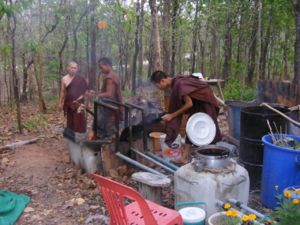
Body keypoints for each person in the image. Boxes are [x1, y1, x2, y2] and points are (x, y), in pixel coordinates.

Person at [150, 71, 222, 164]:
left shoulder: (179, 84)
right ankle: (185, 158)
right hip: (197, 103)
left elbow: (189, 104)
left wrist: (172, 115)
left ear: (162, 81)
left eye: (157, 86)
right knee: (190, 128)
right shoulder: (175, 83)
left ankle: (213, 157)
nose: (158, 89)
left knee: (209, 129)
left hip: (205, 102)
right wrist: (169, 118)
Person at [87, 57, 124, 139]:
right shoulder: (114, 75)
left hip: (110, 108)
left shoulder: (110, 77)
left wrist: (94, 96)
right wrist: (96, 93)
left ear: (107, 65)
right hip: (110, 107)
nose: (101, 70)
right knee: (100, 122)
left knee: (106, 128)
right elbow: (108, 92)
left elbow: (109, 94)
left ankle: (106, 144)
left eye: (101, 67)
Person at [58, 62, 89, 133]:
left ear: (77, 69)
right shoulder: (64, 79)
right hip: (69, 103)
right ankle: (72, 137)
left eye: (75, 68)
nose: (73, 69)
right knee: (71, 122)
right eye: (71, 67)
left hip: (79, 104)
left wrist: (88, 102)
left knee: (79, 122)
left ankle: (80, 137)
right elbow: (62, 91)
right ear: (68, 68)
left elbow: (86, 92)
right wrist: (60, 103)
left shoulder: (81, 79)